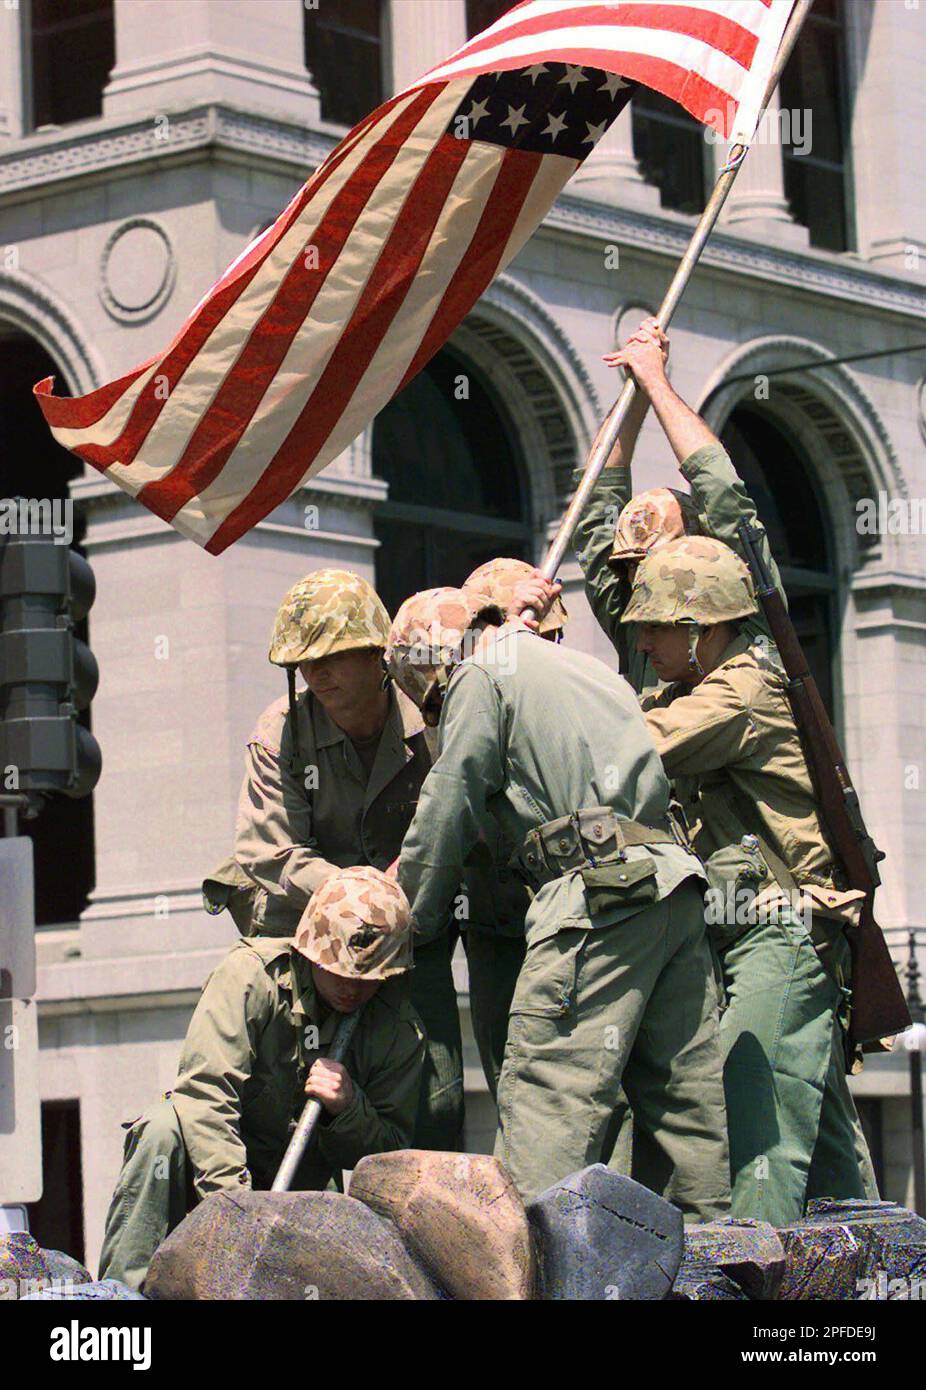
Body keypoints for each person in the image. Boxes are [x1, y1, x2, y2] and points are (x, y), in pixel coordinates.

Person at [386, 587, 731, 1214]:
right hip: (672, 888)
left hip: (596, 898)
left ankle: (532, 1261)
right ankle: (716, 1256)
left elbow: (450, 798)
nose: (440, 708)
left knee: (549, 1102)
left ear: (432, 662)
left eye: (433, 700)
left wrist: (408, 917)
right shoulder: (592, 671)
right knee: (685, 1112)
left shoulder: (479, 675)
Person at [621, 535, 878, 1225]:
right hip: (747, 930)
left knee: (754, 1116)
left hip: (783, 929)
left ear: (702, 630)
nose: (643, 642)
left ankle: (753, 1268)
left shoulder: (741, 690)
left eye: (657, 627)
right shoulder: (698, 686)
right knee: (825, 1152)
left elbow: (638, 746)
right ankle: (876, 1267)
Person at [201, 567, 461, 1152]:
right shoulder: (281, 731)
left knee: (434, 1095)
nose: (315, 674)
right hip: (307, 936)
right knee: (294, 1101)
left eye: (332, 657)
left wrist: (401, 890)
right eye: (303, 663)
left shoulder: (432, 717)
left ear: (375, 655)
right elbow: (268, 851)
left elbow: (465, 811)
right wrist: (359, 891)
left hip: (409, 933)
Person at [98, 866, 425, 1291]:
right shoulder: (250, 977)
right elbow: (205, 1093)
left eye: (367, 979)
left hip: (302, 1184)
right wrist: (237, 1210)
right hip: (215, 1165)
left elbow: (389, 1156)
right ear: (311, 949)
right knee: (162, 1129)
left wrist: (348, 1109)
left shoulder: (397, 1029)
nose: (352, 987)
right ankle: (121, 1298)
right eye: (339, 971)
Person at [572, 317, 783, 693]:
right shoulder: (636, 629)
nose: (641, 578)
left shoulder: (748, 617)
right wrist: (637, 391)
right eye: (632, 566)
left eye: (657, 562)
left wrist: (657, 382)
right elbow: (596, 503)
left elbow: (723, 495)